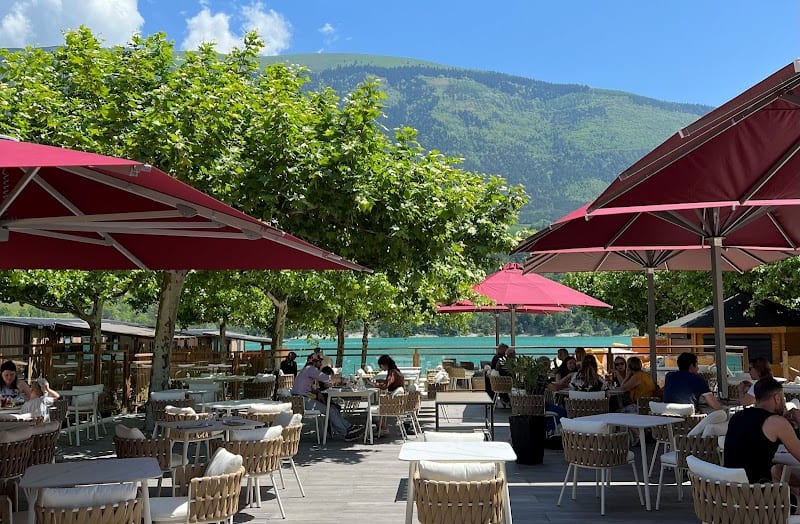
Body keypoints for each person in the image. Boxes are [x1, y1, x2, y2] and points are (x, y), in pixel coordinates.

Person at [725, 377, 800, 488]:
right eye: (783, 399)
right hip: (759, 494)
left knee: (778, 470)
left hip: (730, 489)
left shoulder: (737, 417)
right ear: (777, 398)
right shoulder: (776, 422)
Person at [291, 352, 364, 441]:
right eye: (319, 362)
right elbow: (327, 378)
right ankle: (346, 434)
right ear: (314, 362)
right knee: (330, 411)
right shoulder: (311, 369)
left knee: (332, 409)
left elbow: (308, 388)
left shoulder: (306, 370)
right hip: (302, 401)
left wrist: (318, 392)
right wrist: (342, 379)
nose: (321, 364)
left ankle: (349, 427)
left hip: (300, 400)